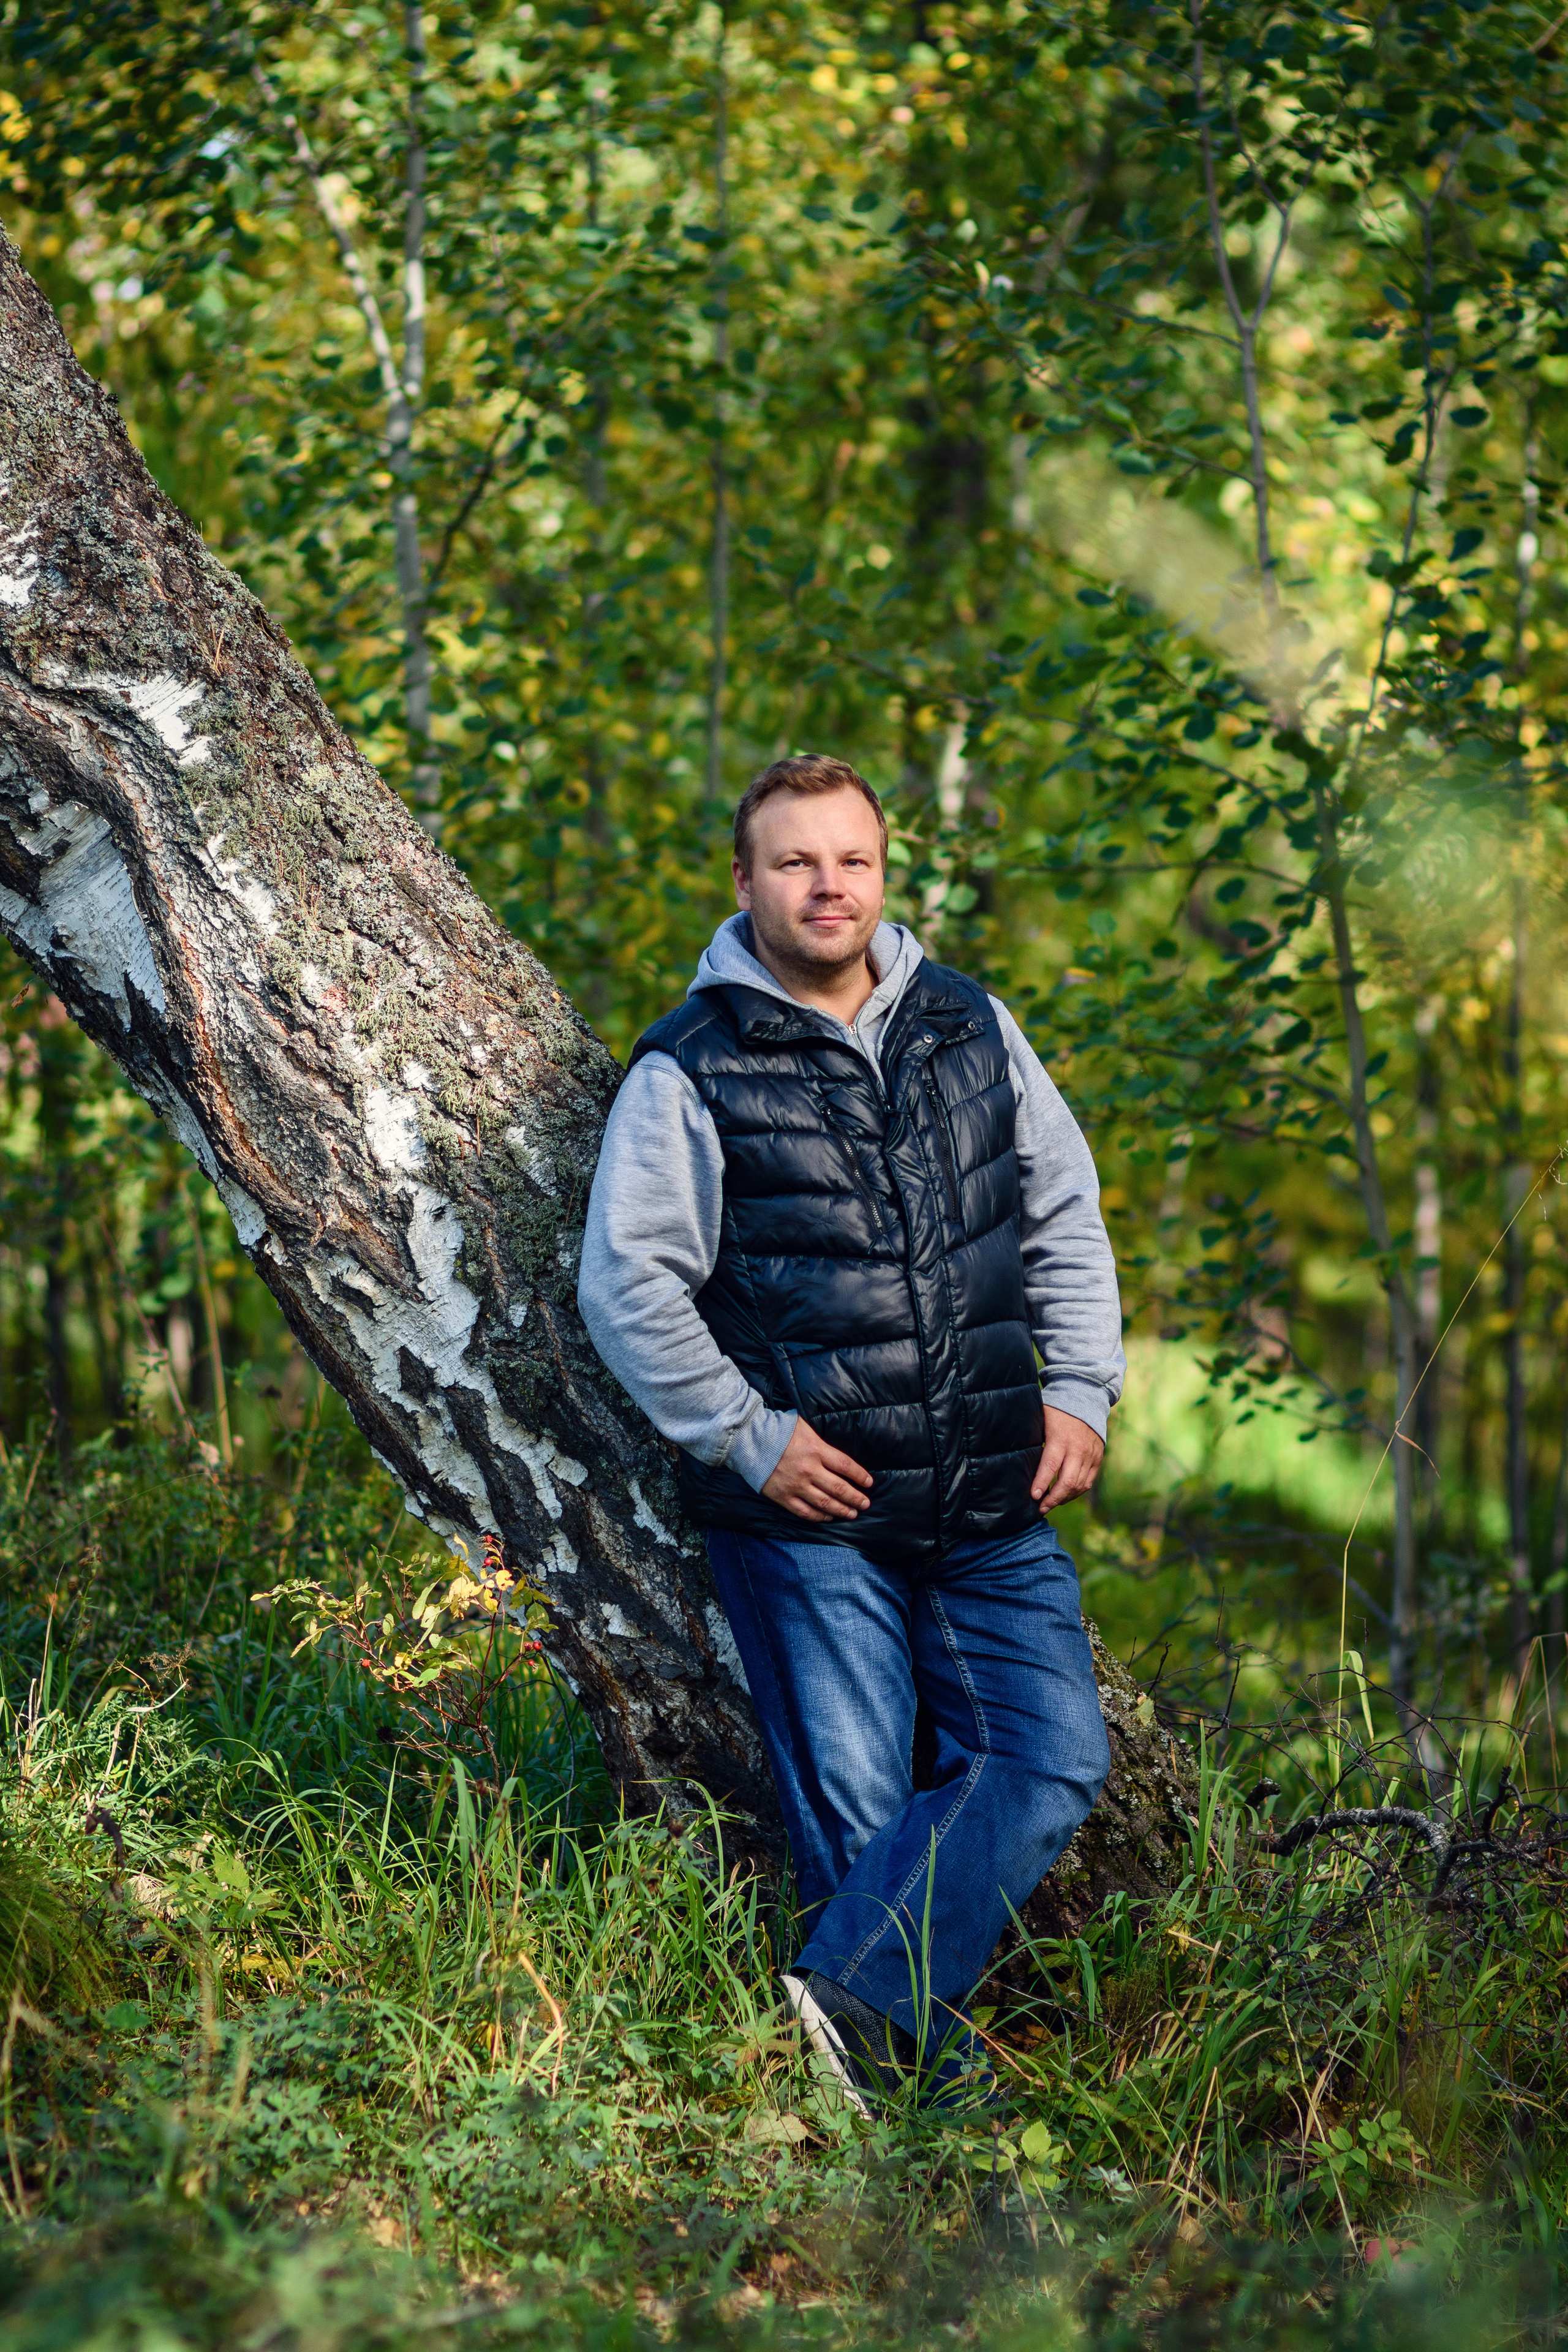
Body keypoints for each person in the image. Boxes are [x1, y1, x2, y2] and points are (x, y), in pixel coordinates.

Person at [578, 753, 1123, 2113]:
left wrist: (1082, 1392)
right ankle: (921, 2123)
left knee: (1051, 1755)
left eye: (852, 861)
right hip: (809, 1517)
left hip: (992, 1496)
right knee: (864, 1815)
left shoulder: (966, 1023)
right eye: (794, 862)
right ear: (745, 881)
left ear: (884, 874)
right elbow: (624, 1278)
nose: (828, 886)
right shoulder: (692, 1063)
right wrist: (744, 1437)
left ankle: (841, 2008)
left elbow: (1061, 1212)